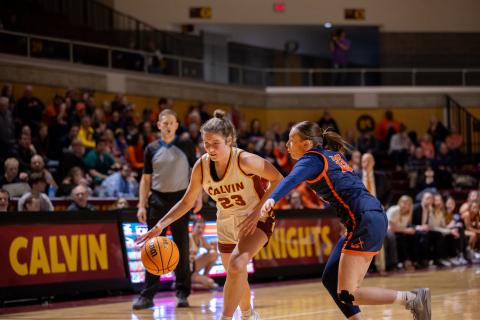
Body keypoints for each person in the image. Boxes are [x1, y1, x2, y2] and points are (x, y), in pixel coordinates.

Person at [260, 121, 431, 320]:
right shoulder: (334, 156)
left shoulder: (311, 160)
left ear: (307, 145)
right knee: (330, 278)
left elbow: (290, 180)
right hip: (367, 217)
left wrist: (272, 198)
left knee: (348, 293)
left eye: (291, 141)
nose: (287, 145)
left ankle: (412, 298)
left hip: (363, 220)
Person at [136, 109, 283, 319]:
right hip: (226, 222)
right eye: (206, 143)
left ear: (229, 140)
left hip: (256, 218)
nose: (210, 148)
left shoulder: (245, 160)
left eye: (216, 143)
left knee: (237, 263)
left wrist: (259, 209)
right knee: (236, 273)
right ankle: (249, 315)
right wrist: (160, 225)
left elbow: (279, 179)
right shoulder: (201, 166)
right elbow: (187, 201)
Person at [132, 109, 200, 310]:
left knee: (181, 248)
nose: (168, 125)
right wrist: (141, 205)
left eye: (172, 122)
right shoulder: (151, 149)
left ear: (177, 125)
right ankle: (147, 296)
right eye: (165, 123)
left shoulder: (186, 144)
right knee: (153, 248)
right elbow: (145, 180)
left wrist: (197, 197)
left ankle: (182, 293)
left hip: (181, 200)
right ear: (159, 126)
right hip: (158, 201)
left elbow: (197, 172)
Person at [189, 215, 219, 290]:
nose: (201, 230)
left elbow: (211, 250)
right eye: (198, 227)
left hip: (193, 270)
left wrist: (215, 245)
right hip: (186, 270)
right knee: (211, 284)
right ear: (193, 227)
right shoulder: (188, 238)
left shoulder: (201, 239)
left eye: (203, 228)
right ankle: (186, 283)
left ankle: (191, 284)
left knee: (211, 283)